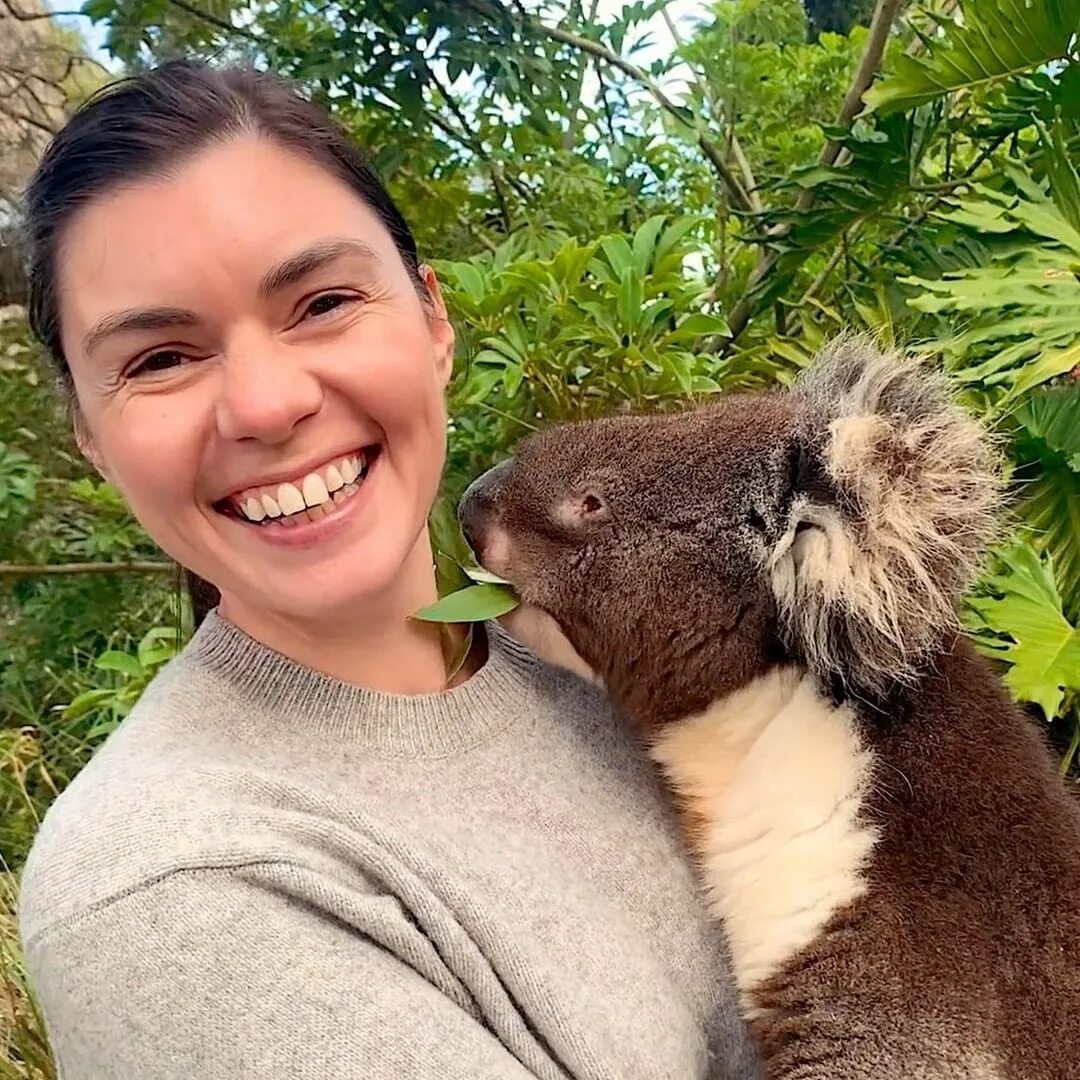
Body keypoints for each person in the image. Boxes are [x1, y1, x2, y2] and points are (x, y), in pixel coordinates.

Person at [16, 60, 758, 1079]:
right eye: (159, 359)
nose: (267, 404)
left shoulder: (614, 648)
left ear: (434, 323)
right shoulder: (174, 880)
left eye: (321, 301)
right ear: (94, 443)